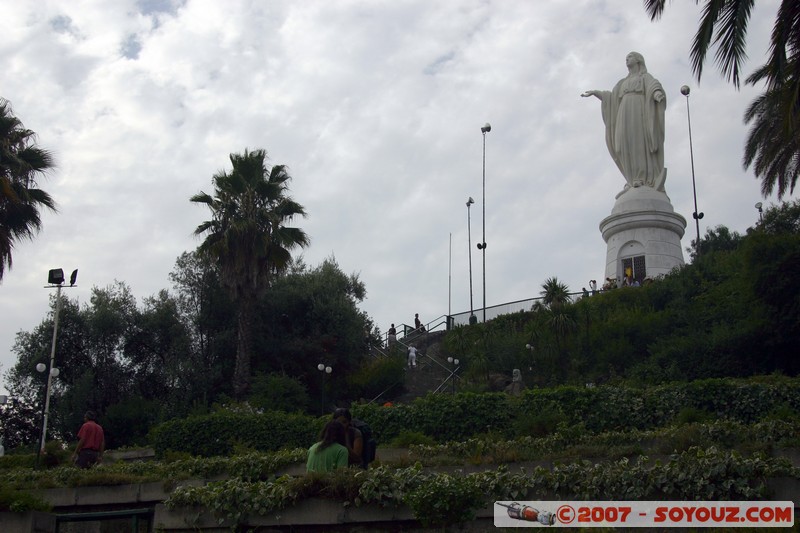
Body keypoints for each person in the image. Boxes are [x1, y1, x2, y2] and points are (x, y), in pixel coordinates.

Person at [582, 52, 667, 197]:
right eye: (626, 58)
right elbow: (612, 98)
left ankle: (642, 178)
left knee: (638, 143)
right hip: (624, 112)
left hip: (639, 109)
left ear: (638, 60)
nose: (627, 59)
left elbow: (654, 86)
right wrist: (597, 93)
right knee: (622, 145)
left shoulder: (644, 77)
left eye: (630, 57)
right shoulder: (622, 83)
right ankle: (631, 178)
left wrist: (657, 94)